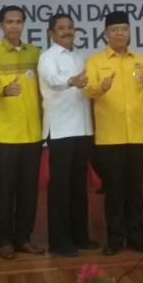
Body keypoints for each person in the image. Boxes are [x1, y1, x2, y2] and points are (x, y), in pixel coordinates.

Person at [84, 11, 143, 256]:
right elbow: (88, 90)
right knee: (114, 190)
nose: (120, 34)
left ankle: (136, 237)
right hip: (109, 136)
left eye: (124, 29)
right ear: (105, 34)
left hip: (137, 133)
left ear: (129, 32)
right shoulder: (95, 61)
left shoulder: (141, 61)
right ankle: (115, 239)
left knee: (135, 190)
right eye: (115, 30)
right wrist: (100, 87)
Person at [0, 5, 44, 260]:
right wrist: (4, 90)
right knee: (6, 191)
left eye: (18, 21)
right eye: (9, 22)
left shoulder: (36, 53)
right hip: (5, 135)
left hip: (33, 134)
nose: (14, 26)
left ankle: (24, 238)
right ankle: (5, 240)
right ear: (1, 25)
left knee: (29, 190)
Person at [38, 13, 99, 257]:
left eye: (70, 27)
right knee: (60, 188)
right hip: (61, 129)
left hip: (82, 128)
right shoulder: (47, 57)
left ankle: (80, 236)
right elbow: (53, 81)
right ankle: (59, 242)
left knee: (78, 186)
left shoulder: (80, 56)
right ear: (51, 33)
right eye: (61, 28)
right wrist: (73, 80)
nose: (67, 31)